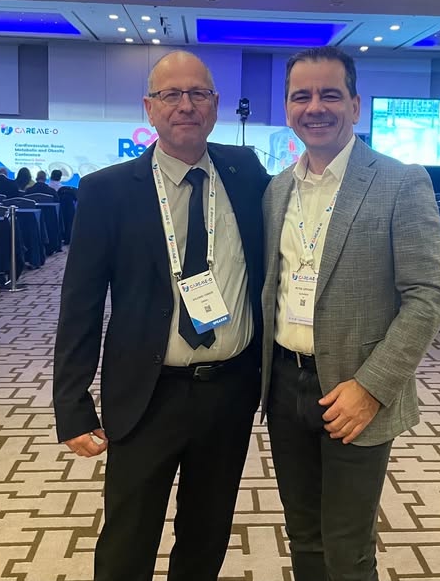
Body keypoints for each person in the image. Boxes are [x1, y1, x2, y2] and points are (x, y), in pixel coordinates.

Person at [53, 50, 270, 581]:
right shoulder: (106, 190)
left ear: (216, 104)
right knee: (128, 540)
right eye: (171, 94)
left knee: (206, 535)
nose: (185, 105)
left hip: (229, 391)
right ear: (149, 108)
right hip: (146, 393)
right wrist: (72, 404)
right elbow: (81, 303)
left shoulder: (246, 173)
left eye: (198, 93)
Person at [260, 46, 440, 581]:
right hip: (285, 385)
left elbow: (429, 296)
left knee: (347, 550)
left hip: (356, 390)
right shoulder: (277, 190)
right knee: (304, 537)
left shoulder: (400, 181)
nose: (315, 107)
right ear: (288, 107)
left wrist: (371, 387)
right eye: (301, 96)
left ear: (355, 104)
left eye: (330, 94)